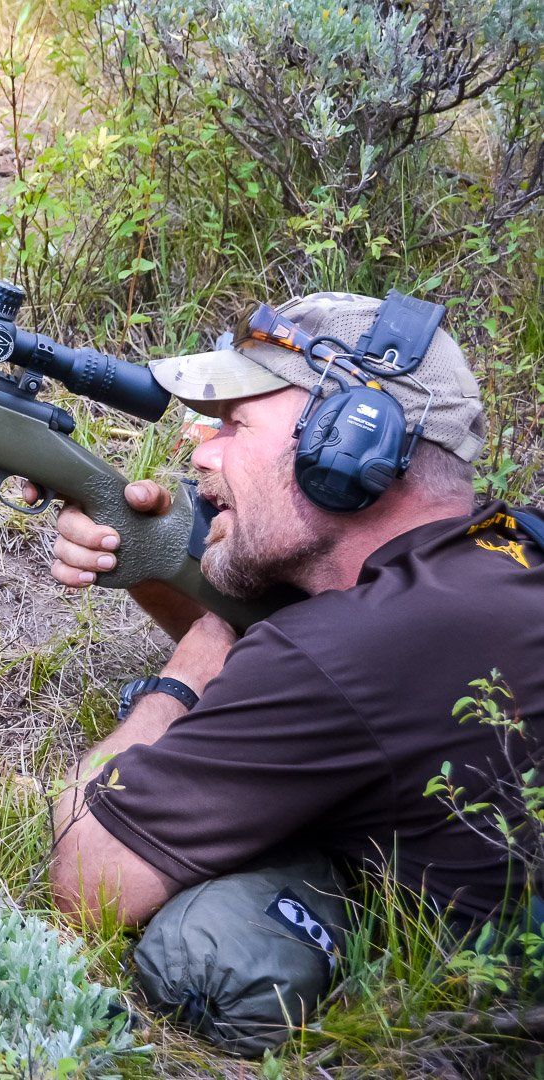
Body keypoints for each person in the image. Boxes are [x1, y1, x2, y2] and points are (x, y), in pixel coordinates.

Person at [39, 292, 544, 1053]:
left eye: (234, 424)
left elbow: (91, 883)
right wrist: (148, 556)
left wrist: (185, 673)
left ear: (348, 442)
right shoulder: (506, 548)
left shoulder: (348, 650)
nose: (201, 452)